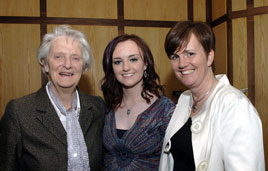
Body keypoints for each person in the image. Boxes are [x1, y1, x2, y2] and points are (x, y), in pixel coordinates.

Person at [159, 21, 265, 171]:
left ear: (209, 57)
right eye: (175, 56)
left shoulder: (235, 106)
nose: (182, 63)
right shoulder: (184, 99)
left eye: (190, 54)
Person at [0, 25, 105, 171]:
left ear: (84, 66)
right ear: (45, 64)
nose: (67, 65)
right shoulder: (19, 112)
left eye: (75, 58)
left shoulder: (97, 107)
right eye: (58, 57)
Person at [101, 34, 175, 170]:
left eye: (133, 59)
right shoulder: (106, 109)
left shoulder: (166, 111)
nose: (126, 67)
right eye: (118, 62)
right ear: (111, 68)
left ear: (145, 63)